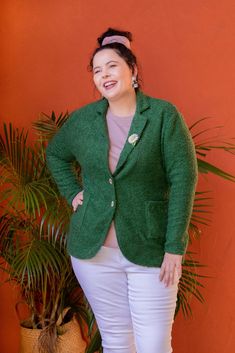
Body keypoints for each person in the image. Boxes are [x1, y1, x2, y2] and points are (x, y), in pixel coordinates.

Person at [46, 28, 198, 353]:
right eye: (97, 71)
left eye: (112, 66)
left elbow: (184, 178)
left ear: (133, 71)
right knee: (116, 342)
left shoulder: (162, 116)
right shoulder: (84, 121)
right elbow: (56, 153)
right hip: (93, 253)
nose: (104, 75)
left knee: (154, 346)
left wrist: (174, 247)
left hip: (150, 248)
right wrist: (73, 192)